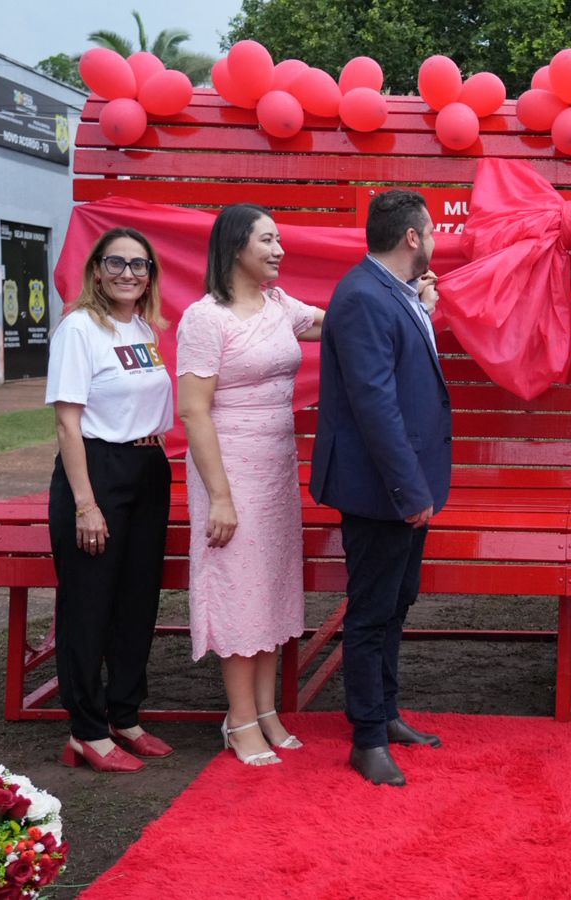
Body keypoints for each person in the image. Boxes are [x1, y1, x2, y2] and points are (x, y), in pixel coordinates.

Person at [175, 204, 325, 766]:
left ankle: (266, 711)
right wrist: (219, 496)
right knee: (238, 589)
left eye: (280, 238)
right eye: (267, 240)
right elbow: (193, 412)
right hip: (229, 470)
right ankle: (238, 719)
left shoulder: (280, 305)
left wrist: (407, 299)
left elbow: (338, 324)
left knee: (270, 586)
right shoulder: (204, 318)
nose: (279, 249)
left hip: (276, 467)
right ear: (236, 246)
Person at [311, 189, 449, 788]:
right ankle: (366, 737)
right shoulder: (366, 297)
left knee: (396, 605)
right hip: (382, 489)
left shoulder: (391, 292)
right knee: (370, 613)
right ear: (412, 238)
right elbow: (374, 404)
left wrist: (424, 308)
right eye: (432, 231)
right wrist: (410, 489)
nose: (437, 239)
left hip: (399, 484)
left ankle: (387, 714)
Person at [46, 228, 175, 774]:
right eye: (116, 263)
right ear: (96, 270)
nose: (128, 273)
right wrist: (85, 504)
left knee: (136, 602)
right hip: (98, 469)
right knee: (89, 604)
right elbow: (67, 422)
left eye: (139, 265)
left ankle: (125, 715)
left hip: (148, 468)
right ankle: (86, 729)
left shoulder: (143, 328)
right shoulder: (79, 328)